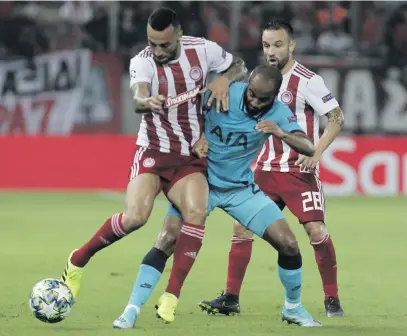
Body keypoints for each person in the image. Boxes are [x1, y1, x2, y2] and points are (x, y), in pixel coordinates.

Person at [60, 7, 247, 304]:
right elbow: (137, 97)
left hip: (189, 155)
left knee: (196, 214)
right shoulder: (142, 62)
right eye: (152, 43)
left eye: (165, 45)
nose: (157, 51)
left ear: (180, 37)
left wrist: (225, 79)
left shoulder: (202, 50)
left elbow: (238, 65)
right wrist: (147, 101)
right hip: (153, 151)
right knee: (135, 218)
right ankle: (78, 259)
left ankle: (171, 297)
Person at [114, 64, 321, 328]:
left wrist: (279, 133)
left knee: (289, 244)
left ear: (275, 97)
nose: (254, 101)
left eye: (262, 99)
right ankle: (130, 310)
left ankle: (293, 308)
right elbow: (185, 114)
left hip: (240, 189)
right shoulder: (225, 94)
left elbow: (308, 146)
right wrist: (197, 136)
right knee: (167, 239)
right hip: (200, 183)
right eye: (252, 94)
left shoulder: (279, 113)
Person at [199, 19, 345, 318]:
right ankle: (231, 297)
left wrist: (315, 154)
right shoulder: (258, 78)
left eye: (278, 45)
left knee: (316, 231)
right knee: (241, 228)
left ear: (291, 45)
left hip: (297, 171)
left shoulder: (308, 80)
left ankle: (331, 298)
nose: (271, 51)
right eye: (267, 45)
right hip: (264, 168)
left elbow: (336, 118)